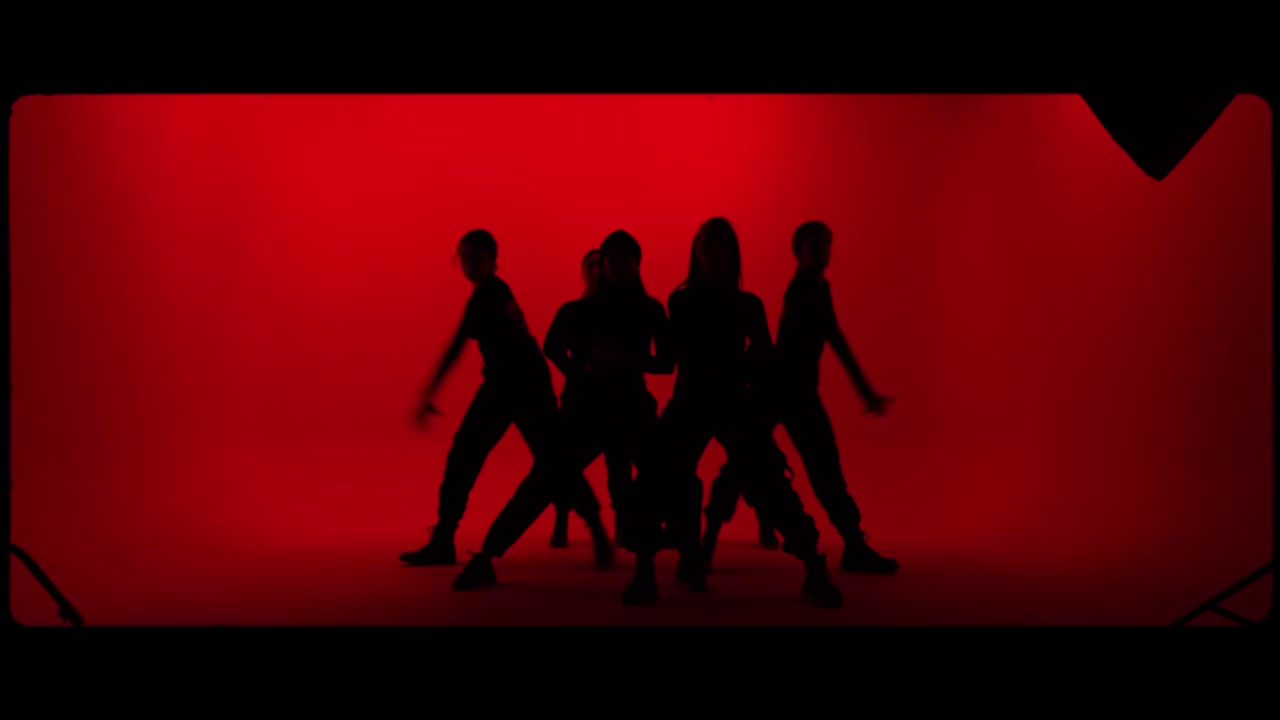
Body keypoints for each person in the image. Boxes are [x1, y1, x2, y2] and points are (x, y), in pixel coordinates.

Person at [622, 218, 843, 608]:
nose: (717, 252)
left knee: (768, 480)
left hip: (724, 399)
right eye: (711, 245)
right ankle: (648, 570)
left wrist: (733, 367)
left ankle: (812, 564)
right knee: (658, 477)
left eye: (723, 245)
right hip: (700, 398)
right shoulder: (689, 302)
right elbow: (692, 357)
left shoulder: (739, 304)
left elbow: (757, 357)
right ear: (698, 253)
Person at [451, 230, 672, 591]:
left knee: (642, 479)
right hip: (593, 411)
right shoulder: (602, 311)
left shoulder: (639, 310)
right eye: (614, 259)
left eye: (627, 259)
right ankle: (487, 556)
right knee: (544, 483)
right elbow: (553, 346)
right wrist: (585, 372)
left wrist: (602, 365)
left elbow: (666, 362)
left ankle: (647, 567)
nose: (619, 265)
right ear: (605, 264)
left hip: (614, 410)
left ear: (636, 264)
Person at [400, 230, 608, 566]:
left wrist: (430, 392)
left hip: (516, 385)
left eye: (475, 256)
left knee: (498, 458)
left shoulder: (488, 296)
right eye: (463, 256)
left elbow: (456, 347)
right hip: (516, 384)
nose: (468, 263)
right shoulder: (493, 293)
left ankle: (444, 539)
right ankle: (594, 525)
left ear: (492, 261)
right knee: (547, 461)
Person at [701, 221, 898, 575]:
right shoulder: (804, 289)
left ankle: (849, 542)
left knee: (767, 463)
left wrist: (864, 390)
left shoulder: (816, 288)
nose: (822, 251)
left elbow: (833, 340)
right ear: (800, 251)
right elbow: (829, 341)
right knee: (759, 463)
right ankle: (712, 542)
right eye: (814, 245)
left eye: (825, 244)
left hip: (790, 391)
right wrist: (864, 390)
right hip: (783, 390)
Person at [544, 249, 640, 549]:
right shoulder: (572, 311)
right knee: (568, 465)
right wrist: (576, 373)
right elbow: (551, 345)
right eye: (591, 265)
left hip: (612, 400)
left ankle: (620, 526)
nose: (597, 270)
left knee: (618, 466)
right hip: (580, 400)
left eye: (601, 265)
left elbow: (552, 346)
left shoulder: (616, 311)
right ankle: (563, 522)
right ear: (583, 272)